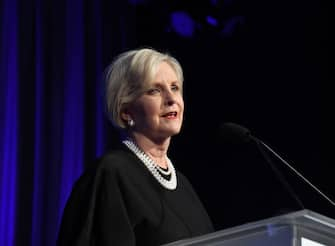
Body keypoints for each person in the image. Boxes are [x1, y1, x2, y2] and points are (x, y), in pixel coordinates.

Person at [57, 47, 214, 246]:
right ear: (126, 112)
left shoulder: (182, 184)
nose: (171, 99)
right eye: (154, 90)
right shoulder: (112, 173)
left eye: (175, 88)